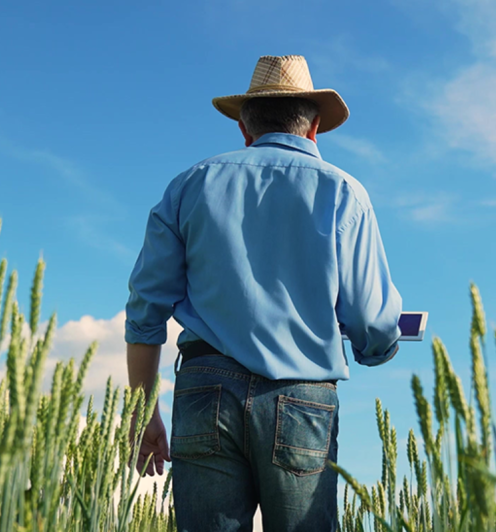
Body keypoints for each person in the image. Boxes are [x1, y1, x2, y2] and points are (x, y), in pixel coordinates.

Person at [124, 54, 402, 532]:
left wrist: (141, 412)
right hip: (302, 396)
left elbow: (145, 310)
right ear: (314, 128)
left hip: (204, 389)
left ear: (244, 128)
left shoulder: (189, 185)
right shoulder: (345, 191)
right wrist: (378, 347)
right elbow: (373, 326)